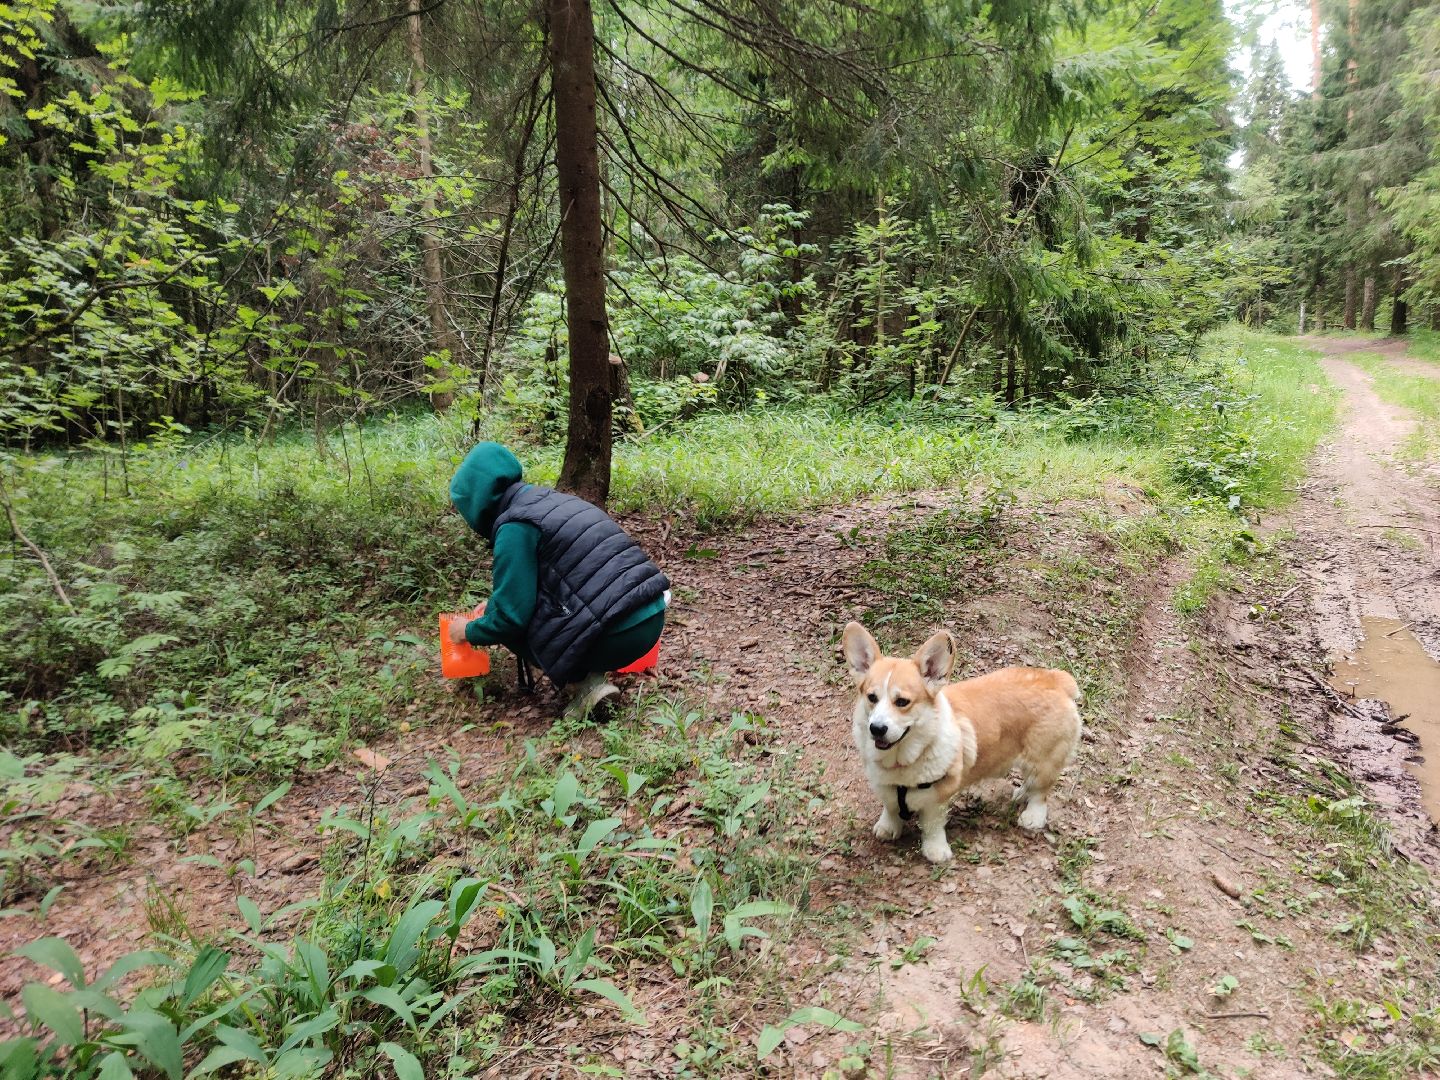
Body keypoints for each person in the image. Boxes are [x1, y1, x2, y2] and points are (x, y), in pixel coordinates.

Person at [446, 442, 669, 718]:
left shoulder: (514, 527)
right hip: (652, 614)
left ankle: (584, 686)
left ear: (474, 504)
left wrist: (465, 631)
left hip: (618, 635)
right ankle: (590, 680)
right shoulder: (552, 500)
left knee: (514, 623)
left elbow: (510, 618)